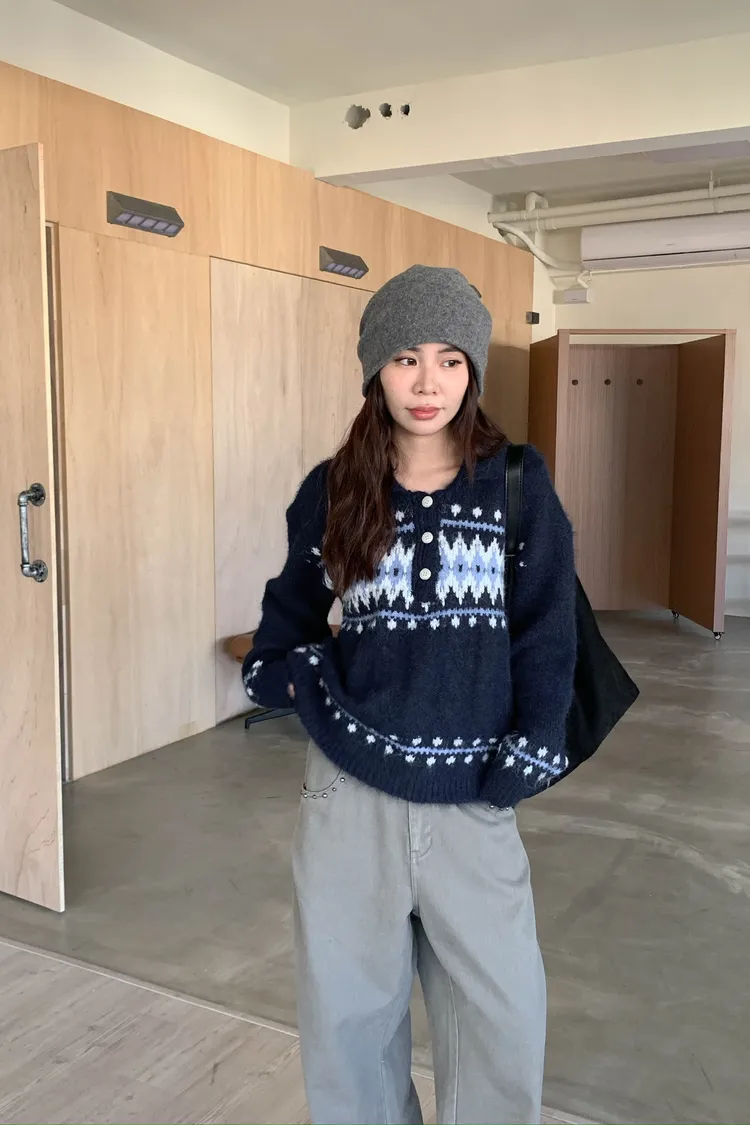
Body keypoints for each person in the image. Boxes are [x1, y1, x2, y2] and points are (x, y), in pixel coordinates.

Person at [242, 265, 577, 1125]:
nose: (428, 383)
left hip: (474, 798)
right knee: (349, 1026)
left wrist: (534, 742)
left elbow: (546, 629)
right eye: (405, 358)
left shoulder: (516, 484)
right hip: (349, 795)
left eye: (449, 360)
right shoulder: (333, 490)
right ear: (375, 371)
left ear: (472, 371)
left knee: (503, 1022)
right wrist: (293, 676)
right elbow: (286, 623)